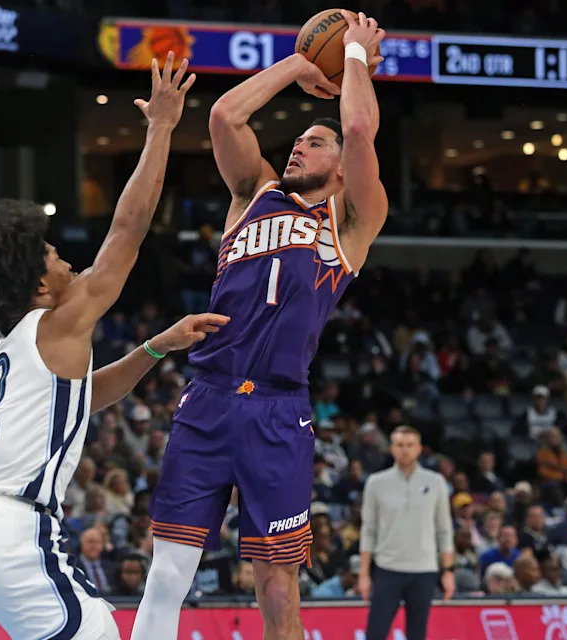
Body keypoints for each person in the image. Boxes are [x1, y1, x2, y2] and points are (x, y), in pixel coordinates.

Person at [0, 54, 208, 640]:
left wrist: (154, 348)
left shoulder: (0, 347)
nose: (69, 262)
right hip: (11, 531)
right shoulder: (55, 325)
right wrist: (160, 127)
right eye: (55, 257)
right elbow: (127, 231)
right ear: (36, 285)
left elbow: (81, 399)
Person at [134, 13, 388, 640]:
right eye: (297, 139)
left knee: (276, 585)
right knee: (168, 571)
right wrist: (301, 65)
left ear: (341, 167)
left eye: (315, 142)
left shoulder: (351, 220)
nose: (298, 145)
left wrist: (354, 56)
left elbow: (359, 127)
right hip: (208, 395)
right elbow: (225, 116)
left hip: (278, 409)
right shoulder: (254, 193)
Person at [358, 427, 454, 640]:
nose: (405, 450)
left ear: (419, 449)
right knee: (375, 634)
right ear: (392, 448)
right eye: (400, 445)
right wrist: (363, 574)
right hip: (387, 568)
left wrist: (448, 571)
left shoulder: (435, 482)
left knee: (417, 634)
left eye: (410, 445)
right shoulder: (376, 483)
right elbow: (368, 530)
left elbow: (444, 530)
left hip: (424, 569)